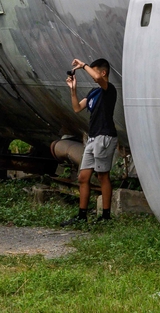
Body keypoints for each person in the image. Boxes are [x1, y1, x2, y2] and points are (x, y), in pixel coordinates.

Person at [61, 58, 118, 226]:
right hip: (92, 138)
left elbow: (99, 80)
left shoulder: (109, 89)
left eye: (95, 72)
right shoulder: (94, 93)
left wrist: (83, 65)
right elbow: (77, 108)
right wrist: (73, 90)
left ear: (103, 72)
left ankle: (106, 217)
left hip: (105, 137)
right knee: (83, 177)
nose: (93, 76)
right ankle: (81, 216)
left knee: (102, 176)